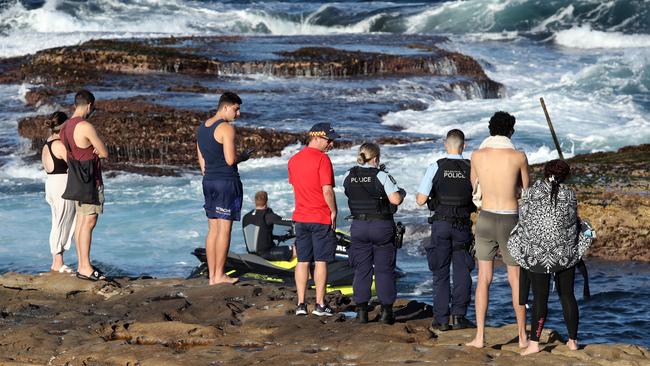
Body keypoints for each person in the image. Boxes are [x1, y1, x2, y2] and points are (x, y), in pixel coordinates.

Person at [507, 160, 594, 355]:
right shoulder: (570, 194)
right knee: (567, 295)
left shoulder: (530, 193)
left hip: (538, 254)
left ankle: (535, 343)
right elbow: (571, 222)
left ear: (545, 173)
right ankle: (573, 342)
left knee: (540, 298)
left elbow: (525, 223)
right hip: (564, 255)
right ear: (565, 176)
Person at [466, 111, 530, 349]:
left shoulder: (477, 155)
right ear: (511, 131)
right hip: (510, 219)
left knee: (484, 278)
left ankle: (480, 337)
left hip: (485, 218)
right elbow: (526, 187)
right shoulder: (518, 156)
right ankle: (523, 337)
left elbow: (474, 186)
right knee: (515, 279)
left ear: (490, 130)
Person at [416, 129, 475, 331]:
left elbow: (420, 200)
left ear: (445, 144)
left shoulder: (436, 166)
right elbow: (478, 198)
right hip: (462, 226)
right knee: (462, 271)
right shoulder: (471, 167)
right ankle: (459, 317)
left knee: (440, 272)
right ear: (463, 145)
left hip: (440, 224)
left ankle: (441, 319)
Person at [343, 143, 406, 324]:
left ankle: (361, 313)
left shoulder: (349, 174)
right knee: (384, 270)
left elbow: (348, 193)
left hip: (358, 226)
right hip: (381, 226)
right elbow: (395, 200)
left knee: (361, 269)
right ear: (376, 158)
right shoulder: (381, 175)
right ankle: (386, 313)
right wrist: (402, 192)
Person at [197, 91, 253, 286]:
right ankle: (220, 275)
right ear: (226, 107)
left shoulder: (202, 127)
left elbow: (201, 161)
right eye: (236, 110)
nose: (238, 114)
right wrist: (244, 157)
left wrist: (210, 175)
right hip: (226, 182)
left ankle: (213, 275)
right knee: (224, 229)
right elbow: (230, 160)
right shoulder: (226, 129)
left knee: (212, 229)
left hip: (209, 181)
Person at [288, 123, 339, 317]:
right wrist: (333, 211)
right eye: (329, 140)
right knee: (320, 261)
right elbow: (326, 189)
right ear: (316, 138)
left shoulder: (293, 160)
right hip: (319, 217)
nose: (331, 144)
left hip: (300, 216)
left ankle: (301, 304)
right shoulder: (322, 159)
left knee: (302, 261)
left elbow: (297, 186)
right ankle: (319, 304)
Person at [60, 90, 109, 281]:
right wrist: (97, 149)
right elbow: (104, 152)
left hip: (76, 179)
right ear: (89, 105)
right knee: (89, 222)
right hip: (91, 180)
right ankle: (85, 267)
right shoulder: (85, 125)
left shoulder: (65, 127)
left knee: (81, 223)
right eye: (93, 107)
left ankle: (82, 264)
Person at [42, 111, 76, 273]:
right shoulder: (58, 145)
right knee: (62, 222)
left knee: (58, 222)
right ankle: (58, 262)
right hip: (62, 185)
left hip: (52, 184)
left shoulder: (48, 142)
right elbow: (74, 164)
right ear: (63, 126)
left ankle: (57, 261)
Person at [242, 191, 295, 261]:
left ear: (255, 201)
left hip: (252, 254)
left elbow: (260, 236)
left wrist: (278, 237)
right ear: (267, 201)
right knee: (299, 250)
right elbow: (291, 222)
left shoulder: (246, 217)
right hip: (266, 253)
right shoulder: (268, 216)